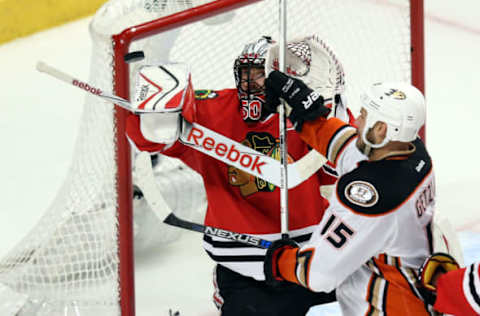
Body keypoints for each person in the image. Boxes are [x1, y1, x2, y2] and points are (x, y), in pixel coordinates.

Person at [126, 36, 353, 315]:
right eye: (249, 75)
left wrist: (334, 107)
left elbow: (345, 168)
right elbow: (150, 139)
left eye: (264, 76)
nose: (255, 85)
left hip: (312, 258)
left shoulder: (308, 116)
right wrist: (155, 109)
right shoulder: (212, 111)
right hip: (245, 264)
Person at [263, 72, 438, 315]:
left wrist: (279, 260)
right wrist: (306, 115)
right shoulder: (413, 153)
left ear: (381, 128)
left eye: (364, 116)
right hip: (414, 296)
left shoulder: (373, 199)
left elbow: (318, 275)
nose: (356, 122)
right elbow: (351, 151)